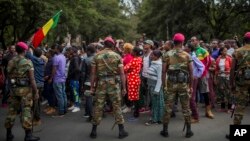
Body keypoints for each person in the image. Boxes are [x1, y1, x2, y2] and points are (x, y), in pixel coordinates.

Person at [89, 36, 128, 139]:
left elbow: (93, 73)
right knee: (117, 107)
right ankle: (121, 131)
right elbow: (122, 74)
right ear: (113, 45)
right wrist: (124, 88)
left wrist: (92, 87)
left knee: (98, 107)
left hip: (101, 84)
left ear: (104, 44)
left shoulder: (96, 56)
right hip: (113, 84)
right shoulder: (117, 56)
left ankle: (93, 131)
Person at [4, 42, 40, 141]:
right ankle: (28, 135)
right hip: (25, 91)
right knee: (26, 111)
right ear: (25, 50)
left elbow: (8, 73)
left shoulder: (11, 61)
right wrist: (36, 92)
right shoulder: (27, 62)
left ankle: (8, 134)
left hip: (14, 89)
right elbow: (32, 79)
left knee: (11, 111)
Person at [161, 33, 194, 138]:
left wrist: (163, 85)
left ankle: (165, 130)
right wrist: (191, 86)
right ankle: (188, 130)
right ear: (182, 42)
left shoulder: (167, 54)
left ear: (173, 42)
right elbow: (191, 72)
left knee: (168, 107)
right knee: (186, 107)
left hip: (171, 84)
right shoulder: (187, 55)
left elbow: (163, 71)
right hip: (183, 85)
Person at [226, 32, 250, 139]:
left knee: (239, 108)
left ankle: (237, 134)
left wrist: (231, 83)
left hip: (242, 83)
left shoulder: (237, 52)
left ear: (244, 40)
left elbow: (232, 69)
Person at [191, 36, 214, 119]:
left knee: (205, 93)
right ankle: (194, 111)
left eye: (194, 40)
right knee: (194, 94)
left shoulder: (203, 51)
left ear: (198, 41)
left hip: (202, 75)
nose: (192, 42)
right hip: (193, 76)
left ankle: (208, 111)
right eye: (191, 41)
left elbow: (208, 62)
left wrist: (203, 72)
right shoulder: (191, 51)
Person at [25, 47, 45, 125]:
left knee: (34, 102)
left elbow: (26, 52)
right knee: (37, 101)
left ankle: (37, 119)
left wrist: (30, 45)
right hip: (41, 83)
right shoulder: (42, 60)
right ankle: (37, 117)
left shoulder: (34, 59)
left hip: (35, 84)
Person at [145, 50, 164, 125]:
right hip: (151, 85)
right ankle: (157, 119)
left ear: (157, 57)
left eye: (152, 55)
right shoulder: (153, 63)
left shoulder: (159, 65)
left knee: (156, 104)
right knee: (155, 103)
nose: (151, 56)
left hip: (155, 86)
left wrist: (156, 90)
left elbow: (160, 78)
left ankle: (154, 119)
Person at [124, 46, 143, 120]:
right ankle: (136, 111)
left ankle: (136, 112)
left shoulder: (134, 60)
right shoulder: (139, 59)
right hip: (136, 78)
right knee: (136, 96)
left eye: (132, 51)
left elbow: (125, 68)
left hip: (132, 79)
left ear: (135, 52)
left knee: (135, 97)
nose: (130, 52)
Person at [49, 45, 67, 117]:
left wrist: (51, 78)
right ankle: (64, 109)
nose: (54, 49)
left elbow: (54, 69)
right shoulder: (63, 57)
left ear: (58, 49)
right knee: (63, 94)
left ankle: (61, 111)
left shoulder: (56, 58)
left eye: (55, 48)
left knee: (59, 96)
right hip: (63, 78)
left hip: (57, 79)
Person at [214, 47, 232, 112]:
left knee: (228, 92)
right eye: (224, 51)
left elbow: (232, 69)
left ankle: (229, 108)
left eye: (226, 51)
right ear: (221, 52)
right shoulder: (218, 59)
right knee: (221, 92)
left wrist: (226, 72)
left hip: (227, 78)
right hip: (220, 77)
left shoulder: (229, 59)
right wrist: (215, 78)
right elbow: (216, 70)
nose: (226, 52)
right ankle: (222, 107)